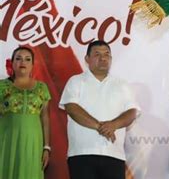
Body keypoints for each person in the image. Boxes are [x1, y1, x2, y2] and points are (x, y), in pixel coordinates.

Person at [59, 40, 139, 179]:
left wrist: (113, 125)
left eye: (107, 54)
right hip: (82, 153)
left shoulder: (122, 84)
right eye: (97, 54)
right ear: (87, 59)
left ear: (111, 58)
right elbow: (71, 108)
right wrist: (101, 127)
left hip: (114, 154)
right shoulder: (76, 81)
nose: (103, 58)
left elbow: (132, 112)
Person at [0, 46, 51, 179]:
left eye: (27, 59)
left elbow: (45, 118)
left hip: (33, 140)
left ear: (33, 64)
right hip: (6, 139)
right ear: (12, 62)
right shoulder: (2, 86)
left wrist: (46, 147)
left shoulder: (41, 87)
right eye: (18, 58)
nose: (23, 62)